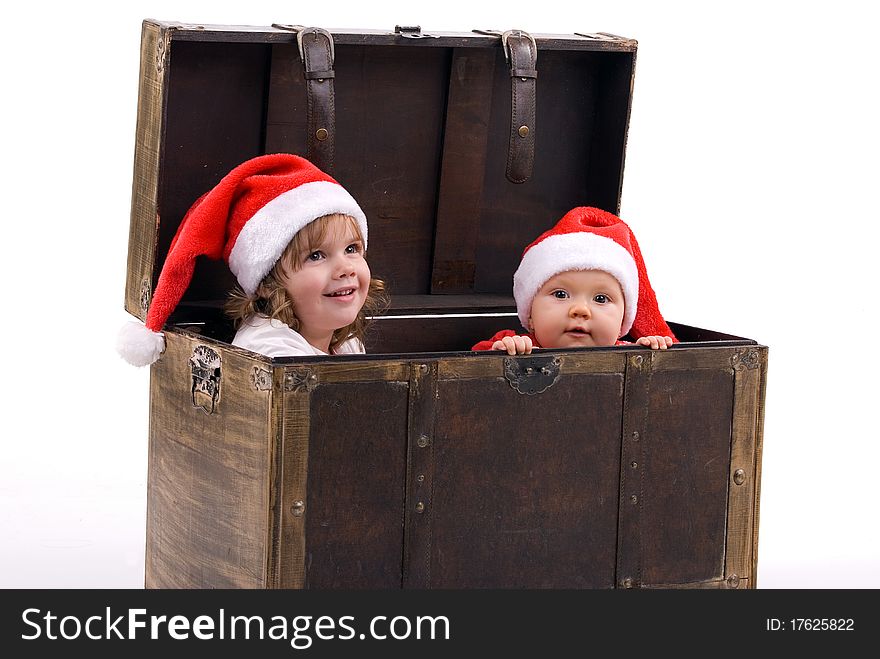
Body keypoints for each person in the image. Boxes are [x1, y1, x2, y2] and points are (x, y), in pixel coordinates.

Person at [117, 153, 385, 365]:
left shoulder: (345, 344)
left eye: (351, 249)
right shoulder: (269, 348)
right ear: (267, 283)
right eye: (316, 255)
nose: (345, 268)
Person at [472, 206, 676, 355]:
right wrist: (500, 352)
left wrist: (652, 349)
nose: (580, 310)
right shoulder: (520, 346)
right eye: (560, 294)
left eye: (601, 298)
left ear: (623, 320)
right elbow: (473, 365)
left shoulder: (629, 354)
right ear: (530, 315)